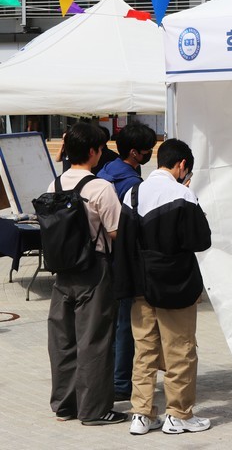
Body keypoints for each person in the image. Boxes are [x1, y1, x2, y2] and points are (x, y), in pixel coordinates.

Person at [113, 138, 212, 436]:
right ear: (182, 165)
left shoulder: (133, 193)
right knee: (180, 348)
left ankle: (141, 414)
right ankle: (179, 414)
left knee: (144, 351)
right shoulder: (183, 195)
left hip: (140, 285)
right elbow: (200, 241)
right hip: (175, 286)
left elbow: (124, 244)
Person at [47, 122, 127, 426]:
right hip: (94, 270)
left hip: (62, 272)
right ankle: (94, 409)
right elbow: (116, 231)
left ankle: (65, 404)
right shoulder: (100, 188)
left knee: (63, 340)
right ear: (94, 152)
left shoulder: (53, 185)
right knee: (94, 340)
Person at [97, 121, 157, 402]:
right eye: (147, 150)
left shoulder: (105, 172)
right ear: (135, 153)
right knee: (125, 324)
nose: (149, 155)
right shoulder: (132, 184)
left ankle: (108, 377)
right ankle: (122, 382)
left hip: (100, 259)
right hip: (123, 262)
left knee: (108, 323)